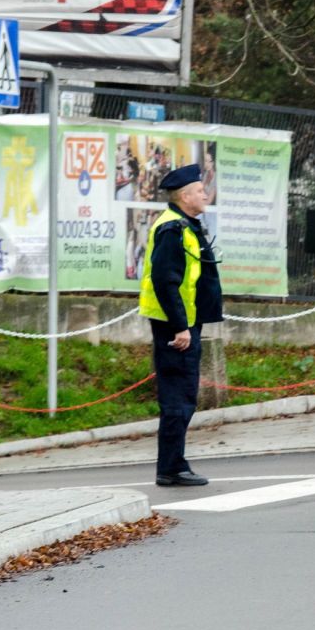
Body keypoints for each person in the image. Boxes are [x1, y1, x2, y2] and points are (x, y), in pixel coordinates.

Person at [138, 163, 224, 487]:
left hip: (184, 322)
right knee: (178, 396)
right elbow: (165, 281)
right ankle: (172, 467)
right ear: (186, 195)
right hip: (175, 326)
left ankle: (173, 464)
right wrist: (180, 327)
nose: (205, 195)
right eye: (201, 191)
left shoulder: (184, 225)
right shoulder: (172, 228)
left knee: (183, 395)